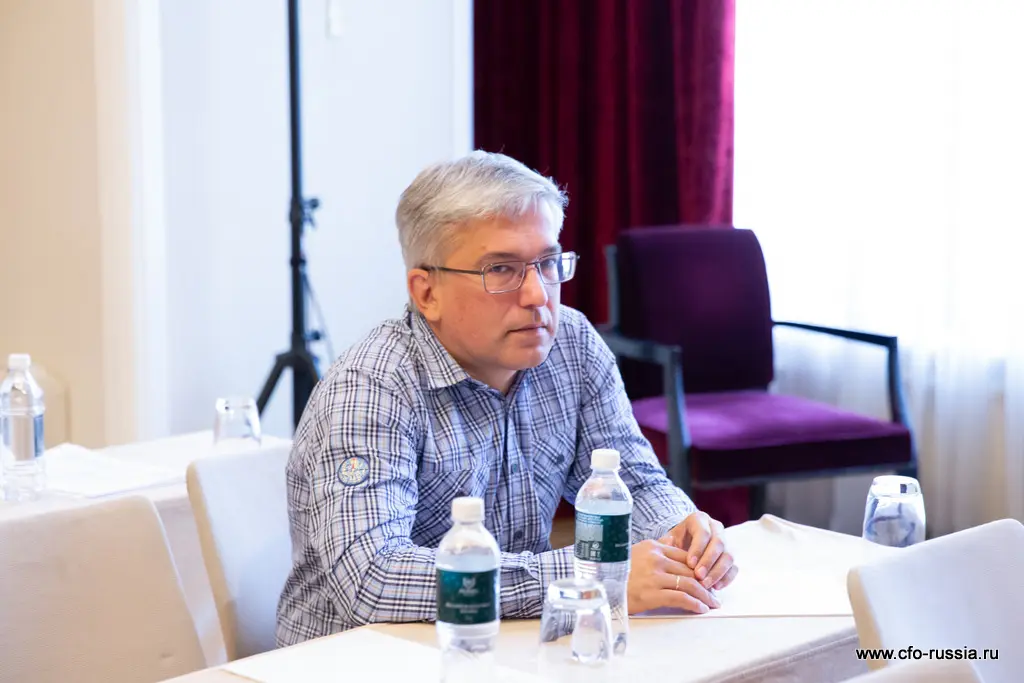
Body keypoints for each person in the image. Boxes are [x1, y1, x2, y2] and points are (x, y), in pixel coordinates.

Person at [276, 151, 738, 646]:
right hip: (360, 657)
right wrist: (591, 575)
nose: (538, 295)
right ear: (426, 293)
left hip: (505, 641)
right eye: (500, 269)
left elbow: (632, 480)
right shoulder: (371, 387)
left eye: (547, 263)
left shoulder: (572, 344)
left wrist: (682, 529)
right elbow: (374, 579)